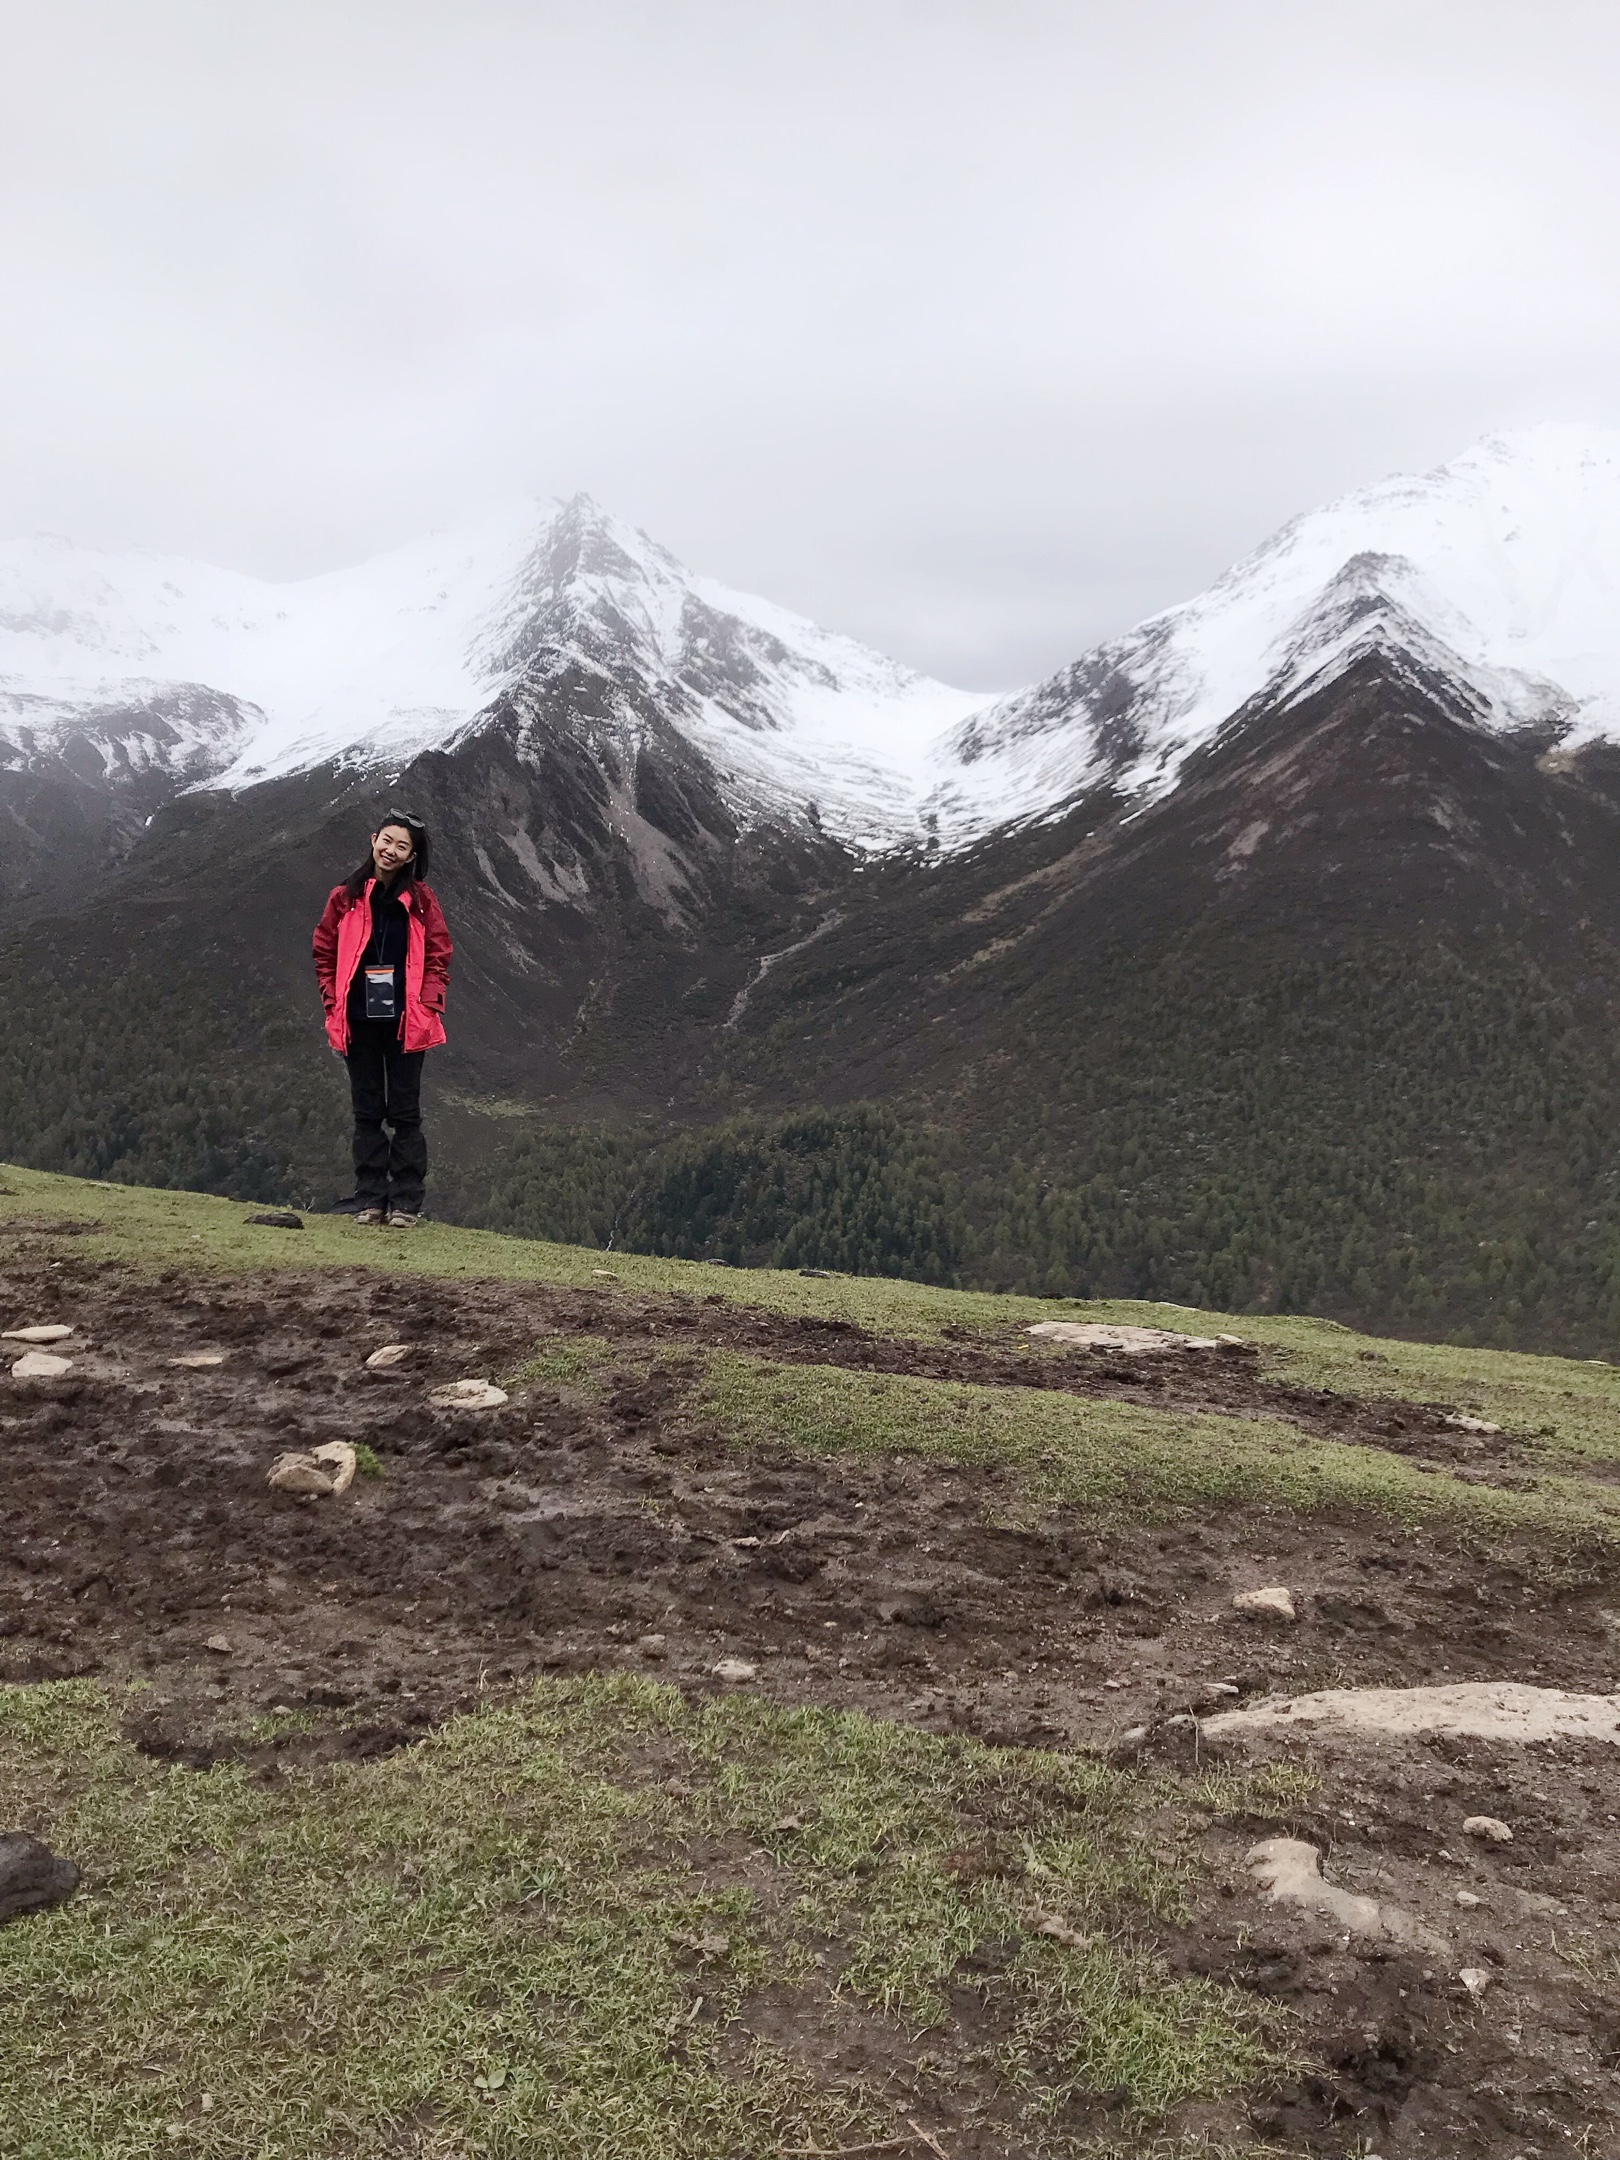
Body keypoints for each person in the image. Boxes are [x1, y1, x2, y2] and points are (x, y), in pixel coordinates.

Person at [312, 812, 452, 1227]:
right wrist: (332, 1000)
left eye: (401, 846)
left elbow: (439, 954)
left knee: (405, 1112)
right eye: (386, 841)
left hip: (407, 1020)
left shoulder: (422, 901)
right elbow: (324, 950)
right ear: (374, 840)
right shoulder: (345, 897)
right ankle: (371, 1197)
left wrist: (429, 1004)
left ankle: (406, 1202)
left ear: (411, 856)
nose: (391, 851)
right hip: (358, 1018)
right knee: (367, 1111)